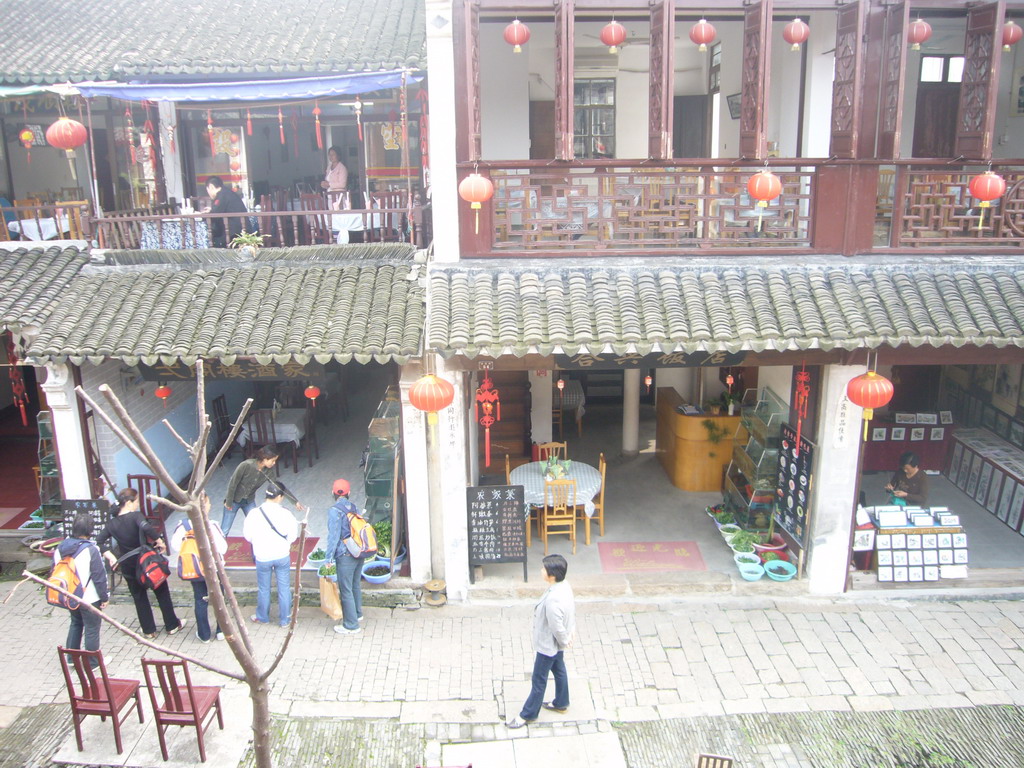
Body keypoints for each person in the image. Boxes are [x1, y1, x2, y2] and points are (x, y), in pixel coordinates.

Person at [97, 488, 185, 639]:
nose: (138, 504)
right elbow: (147, 528)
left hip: (128, 565)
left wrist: (111, 557)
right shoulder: (136, 516)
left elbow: (99, 541)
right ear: (129, 502)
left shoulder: (112, 524)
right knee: (161, 592)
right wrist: (160, 542)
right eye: (137, 501)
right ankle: (172, 625)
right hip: (147, 562)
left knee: (139, 597)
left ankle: (149, 630)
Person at [507, 554, 575, 729]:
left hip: (548, 645)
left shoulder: (553, 600)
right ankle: (561, 702)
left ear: (551, 575)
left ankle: (528, 714)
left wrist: (564, 639)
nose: (541, 571)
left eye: (544, 569)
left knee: (539, 679)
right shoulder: (564, 587)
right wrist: (568, 636)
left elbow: (556, 625)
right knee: (559, 670)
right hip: (556, 644)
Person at [170, 495, 227, 643]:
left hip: (195, 569)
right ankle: (222, 631)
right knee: (218, 599)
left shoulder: (182, 526)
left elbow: (176, 546)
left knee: (200, 599)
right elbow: (223, 548)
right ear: (205, 506)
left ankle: (204, 634)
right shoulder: (211, 525)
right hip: (213, 568)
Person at [57, 512, 109, 665]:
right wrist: (104, 597)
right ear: (90, 530)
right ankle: (93, 662)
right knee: (92, 628)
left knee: (75, 623)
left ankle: (71, 658)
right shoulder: (91, 550)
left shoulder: (61, 547)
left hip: (70, 594)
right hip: (90, 597)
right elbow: (99, 577)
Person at [244, 485, 298, 627]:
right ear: (280, 497)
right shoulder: (286, 514)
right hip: (281, 555)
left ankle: (262, 617)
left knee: (263, 588)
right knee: (284, 588)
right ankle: (285, 619)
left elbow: (248, 536)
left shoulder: (254, 514)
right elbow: (293, 535)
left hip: (262, 556)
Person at [323, 478, 367, 635]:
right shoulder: (353, 507)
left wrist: (328, 559)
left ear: (333, 493)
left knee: (346, 589)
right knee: (355, 584)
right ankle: (357, 614)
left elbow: (333, 536)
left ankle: (351, 625)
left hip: (345, 554)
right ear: (349, 493)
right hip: (358, 551)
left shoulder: (335, 511)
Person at [223, 446, 279, 535]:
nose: (274, 463)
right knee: (224, 530)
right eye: (272, 460)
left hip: (249, 501)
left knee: (256, 528)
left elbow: (277, 486)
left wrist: (294, 502)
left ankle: (256, 548)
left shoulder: (268, 471)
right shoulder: (246, 465)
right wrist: (228, 502)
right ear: (264, 459)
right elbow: (232, 484)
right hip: (233, 501)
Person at [206, 175, 248, 247]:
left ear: (211, 187)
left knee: (212, 240)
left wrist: (203, 215)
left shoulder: (222, 195)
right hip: (239, 230)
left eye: (208, 190)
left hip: (235, 234)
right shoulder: (226, 193)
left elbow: (215, 214)